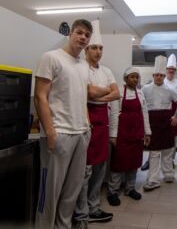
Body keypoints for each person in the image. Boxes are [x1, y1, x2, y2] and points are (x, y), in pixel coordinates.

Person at [34, 19, 93, 229]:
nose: (83, 37)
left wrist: (87, 126)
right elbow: (40, 96)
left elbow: (82, 96)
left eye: (87, 35)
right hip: (59, 133)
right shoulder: (51, 58)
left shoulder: (84, 65)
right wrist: (50, 132)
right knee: (49, 192)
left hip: (81, 134)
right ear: (70, 34)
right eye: (79, 32)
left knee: (71, 193)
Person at [72, 20, 119, 228]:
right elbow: (89, 92)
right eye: (94, 48)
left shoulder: (107, 71)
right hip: (87, 120)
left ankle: (93, 207)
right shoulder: (80, 67)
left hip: (103, 123)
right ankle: (81, 211)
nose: (98, 51)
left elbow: (116, 94)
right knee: (85, 171)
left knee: (100, 168)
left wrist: (96, 96)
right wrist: (101, 92)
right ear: (86, 50)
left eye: (100, 48)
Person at [107, 67, 151, 206]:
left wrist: (147, 132)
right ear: (126, 79)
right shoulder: (118, 92)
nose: (135, 79)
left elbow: (145, 113)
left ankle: (130, 188)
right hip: (122, 134)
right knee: (118, 164)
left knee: (134, 163)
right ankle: (112, 191)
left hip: (137, 134)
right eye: (132, 77)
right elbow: (114, 114)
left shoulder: (140, 93)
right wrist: (113, 136)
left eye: (137, 77)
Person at [142, 55, 177, 191]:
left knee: (167, 150)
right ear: (153, 75)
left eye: (161, 75)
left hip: (166, 122)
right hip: (152, 121)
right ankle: (153, 179)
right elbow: (141, 105)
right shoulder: (145, 89)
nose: (159, 77)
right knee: (154, 152)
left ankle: (169, 174)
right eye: (156, 75)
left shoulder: (169, 89)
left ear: (163, 75)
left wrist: (176, 116)